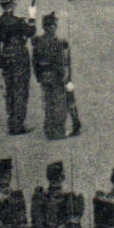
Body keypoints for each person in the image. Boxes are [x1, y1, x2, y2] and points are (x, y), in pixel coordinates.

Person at [0, 0, 36, 135]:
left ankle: (12, 120)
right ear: (12, 3)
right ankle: (18, 124)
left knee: (10, 89)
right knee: (21, 90)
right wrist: (32, 17)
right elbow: (30, 32)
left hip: (5, 57)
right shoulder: (18, 22)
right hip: (19, 56)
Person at [32, 11, 79, 139]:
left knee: (48, 103)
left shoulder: (38, 42)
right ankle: (58, 132)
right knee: (59, 104)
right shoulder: (59, 42)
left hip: (44, 77)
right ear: (51, 26)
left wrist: (38, 76)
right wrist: (66, 79)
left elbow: (35, 61)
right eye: (54, 25)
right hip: (56, 77)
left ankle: (49, 130)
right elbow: (62, 62)